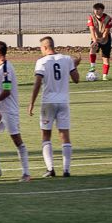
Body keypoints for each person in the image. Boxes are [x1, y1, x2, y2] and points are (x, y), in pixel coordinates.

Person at [27, 37, 79, 177]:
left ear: (44, 48)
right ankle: (66, 170)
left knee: (46, 135)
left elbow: (37, 83)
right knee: (64, 135)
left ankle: (50, 169)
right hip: (63, 102)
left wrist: (31, 102)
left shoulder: (41, 62)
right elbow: (76, 79)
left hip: (48, 102)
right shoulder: (67, 59)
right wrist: (74, 65)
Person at [0, 41, 32, 182]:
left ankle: (26, 173)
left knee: (17, 140)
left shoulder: (6, 68)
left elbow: (6, 91)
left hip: (8, 110)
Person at [86, 2, 112, 80]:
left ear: (102, 10)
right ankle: (92, 66)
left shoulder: (108, 18)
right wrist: (95, 41)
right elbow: (92, 30)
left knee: (106, 58)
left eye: (98, 9)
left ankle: (105, 76)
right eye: (95, 9)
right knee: (92, 49)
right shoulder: (91, 17)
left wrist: (103, 39)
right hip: (96, 38)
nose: (96, 11)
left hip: (106, 39)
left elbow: (106, 31)